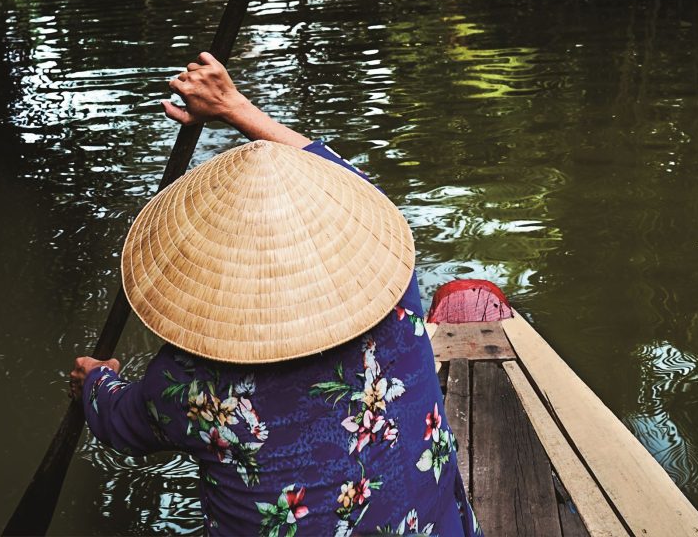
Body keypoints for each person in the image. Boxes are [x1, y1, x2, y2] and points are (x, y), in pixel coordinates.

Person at [69, 53, 480, 537]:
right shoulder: (396, 294)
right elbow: (344, 175)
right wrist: (233, 106)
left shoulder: (187, 384)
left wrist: (94, 382)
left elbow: (119, 421)